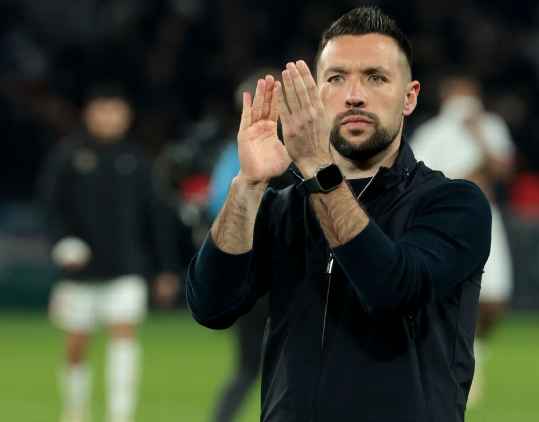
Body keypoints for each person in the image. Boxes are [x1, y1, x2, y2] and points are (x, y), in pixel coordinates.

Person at [186, 6, 491, 422]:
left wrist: (317, 168)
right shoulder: (282, 208)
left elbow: (392, 289)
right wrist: (248, 184)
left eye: (375, 77)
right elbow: (210, 306)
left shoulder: (454, 204)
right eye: (336, 78)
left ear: (410, 97)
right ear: (317, 95)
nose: (354, 95)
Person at [39, 85, 180, 422]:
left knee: (124, 337)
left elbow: (156, 217)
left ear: (126, 115)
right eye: (102, 110)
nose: (109, 117)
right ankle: (75, 410)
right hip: (79, 272)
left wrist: (166, 268)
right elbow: (49, 207)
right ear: (89, 113)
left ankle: (120, 415)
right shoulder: (68, 156)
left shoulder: (137, 160)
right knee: (77, 342)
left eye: (116, 110)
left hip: (126, 269)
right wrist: (61, 242)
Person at [410, 75, 514, 405]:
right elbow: (420, 180)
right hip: (447, 222)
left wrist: (478, 137)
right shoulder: (432, 133)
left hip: (487, 216)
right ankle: (444, 364)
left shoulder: (491, 126)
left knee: (495, 297)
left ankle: (474, 351)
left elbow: (503, 170)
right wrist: (463, 178)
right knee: (445, 294)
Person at [208, 74, 296, 422]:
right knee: (257, 366)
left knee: (260, 368)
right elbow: (221, 208)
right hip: (262, 273)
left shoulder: (302, 151)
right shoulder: (242, 154)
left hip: (273, 272)